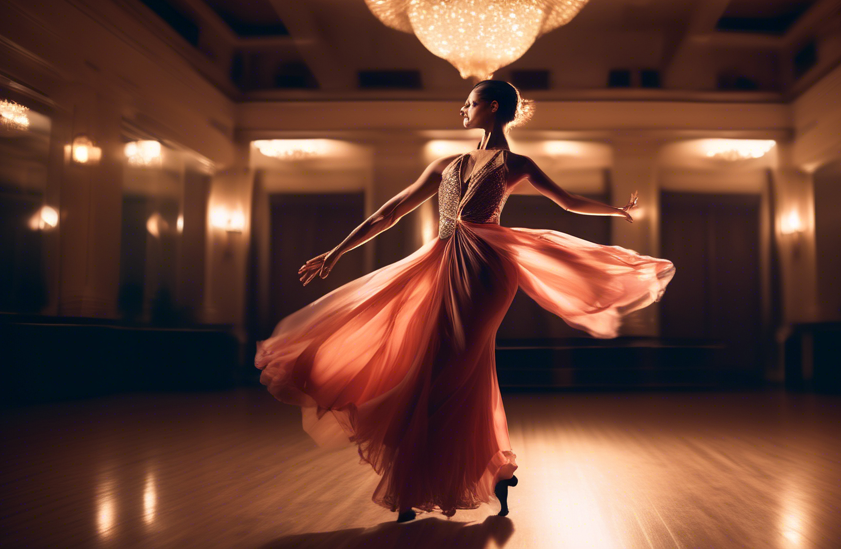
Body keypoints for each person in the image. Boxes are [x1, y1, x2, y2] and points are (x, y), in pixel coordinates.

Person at [255, 80, 676, 523]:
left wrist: (618, 211)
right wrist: (336, 251)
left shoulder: (516, 163)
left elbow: (568, 202)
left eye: (470, 103)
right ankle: (437, 474)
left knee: (453, 367)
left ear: (492, 107)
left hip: (486, 271)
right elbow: (389, 211)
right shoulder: (445, 164)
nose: (462, 109)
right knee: (424, 363)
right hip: (438, 262)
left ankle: (428, 476)